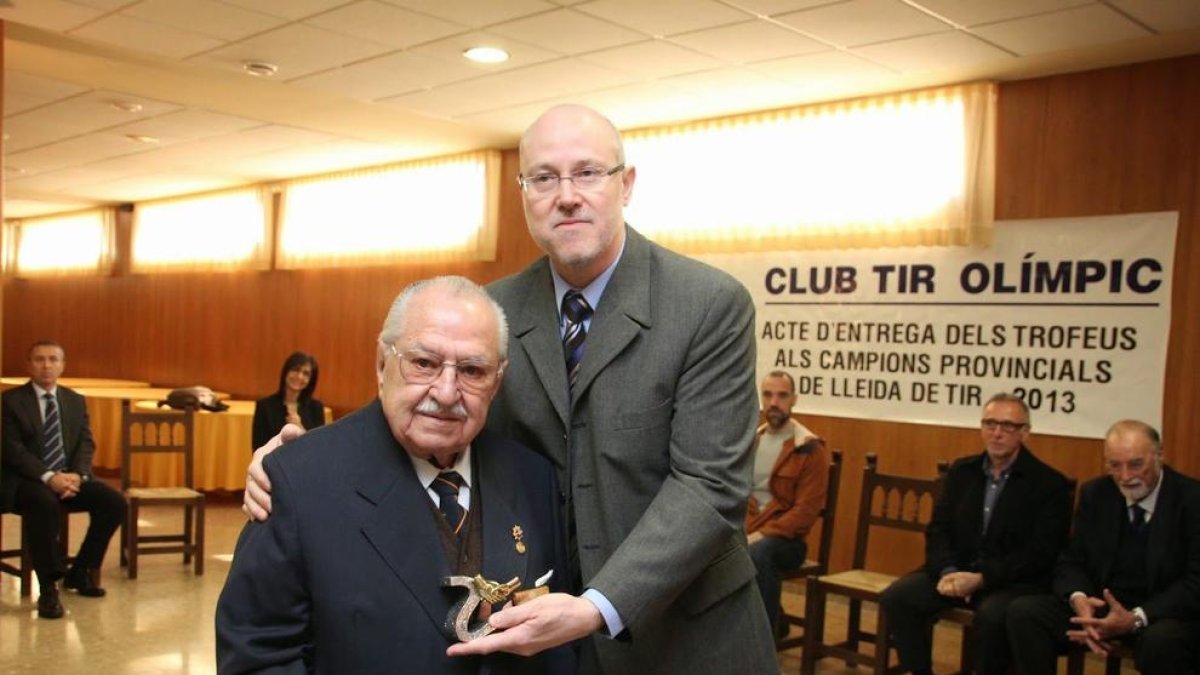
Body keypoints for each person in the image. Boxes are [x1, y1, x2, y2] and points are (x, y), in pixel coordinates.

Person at [244, 104, 777, 674]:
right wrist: (301, 467)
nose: (566, 195)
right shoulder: (492, 309)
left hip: (690, 640)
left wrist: (599, 606)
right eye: (543, 177)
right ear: (523, 192)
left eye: (587, 173)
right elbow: (431, 413)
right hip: (548, 645)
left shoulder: (707, 305)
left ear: (626, 185)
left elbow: (708, 485)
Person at [216, 276, 573, 674]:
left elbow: (555, 647)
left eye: (473, 370)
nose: (447, 392)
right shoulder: (297, 479)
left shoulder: (533, 477)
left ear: (497, 381)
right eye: (424, 363)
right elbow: (258, 657)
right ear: (382, 364)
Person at [878, 392, 1072, 675]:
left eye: (1008, 426)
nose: (997, 433)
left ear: (1025, 433)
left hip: (1008, 582)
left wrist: (982, 579)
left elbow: (1040, 553)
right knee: (898, 597)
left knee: (993, 617)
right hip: (957, 573)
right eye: (990, 424)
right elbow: (938, 529)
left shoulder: (1048, 484)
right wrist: (947, 571)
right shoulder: (962, 471)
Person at [1007, 419, 1200, 675]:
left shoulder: (1191, 499)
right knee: (1025, 613)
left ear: (1159, 456)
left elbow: (1194, 583)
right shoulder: (1097, 493)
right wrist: (1080, 599)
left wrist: (1135, 618)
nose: (1125, 476)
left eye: (1136, 464)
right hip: (1103, 604)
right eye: (1114, 466)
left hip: (1161, 612)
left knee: (1163, 643)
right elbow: (1071, 559)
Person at [1, 340, 128, 619]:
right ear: (29, 365)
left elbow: (85, 443)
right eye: (39, 359)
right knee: (44, 504)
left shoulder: (74, 400)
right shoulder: (11, 401)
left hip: (68, 478)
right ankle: (48, 587)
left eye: (53, 359)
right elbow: (13, 451)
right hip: (26, 481)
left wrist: (78, 475)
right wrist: (49, 477)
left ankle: (80, 571)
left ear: (62, 365)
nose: (46, 365)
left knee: (114, 502)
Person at [745, 370, 829, 641]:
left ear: (794, 400)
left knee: (759, 554)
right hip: (748, 532)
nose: (774, 402)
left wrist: (762, 534)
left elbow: (805, 513)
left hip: (787, 542)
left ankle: (763, 643)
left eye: (782, 395)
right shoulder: (751, 441)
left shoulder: (809, 449)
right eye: (768, 394)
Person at [250, 351, 325, 451]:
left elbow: (319, 448)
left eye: (306, 374)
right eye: (295, 370)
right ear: (286, 372)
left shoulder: (316, 408)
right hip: (272, 464)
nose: (299, 376)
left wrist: (300, 428)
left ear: (310, 380)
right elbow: (258, 448)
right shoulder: (264, 406)